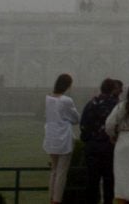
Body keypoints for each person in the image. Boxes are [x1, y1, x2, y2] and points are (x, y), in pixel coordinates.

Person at [80, 77, 119, 204]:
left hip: (92, 147)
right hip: (109, 148)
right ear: (113, 89)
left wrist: (87, 140)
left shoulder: (92, 103)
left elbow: (83, 125)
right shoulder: (116, 106)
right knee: (109, 181)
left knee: (92, 182)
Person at [44, 73, 80, 204]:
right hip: (63, 138)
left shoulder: (48, 98)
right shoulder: (66, 101)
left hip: (51, 137)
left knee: (54, 170)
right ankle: (57, 200)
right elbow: (76, 119)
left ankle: (51, 197)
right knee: (61, 172)